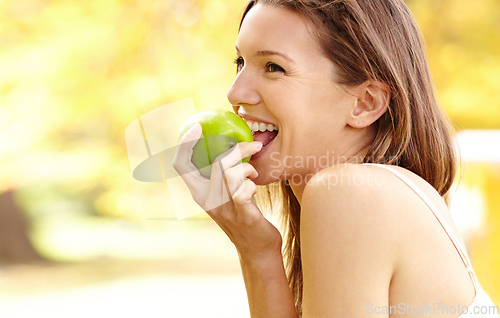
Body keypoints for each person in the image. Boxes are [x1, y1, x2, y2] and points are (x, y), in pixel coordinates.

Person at [173, 0, 500, 317]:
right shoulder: (374, 193)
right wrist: (256, 251)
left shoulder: (350, 194)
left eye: (274, 67)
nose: (235, 93)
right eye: (240, 63)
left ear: (365, 103)